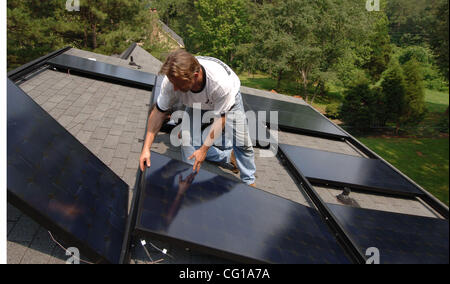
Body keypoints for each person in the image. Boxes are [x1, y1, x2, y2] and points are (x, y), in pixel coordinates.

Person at [139, 49, 256, 186]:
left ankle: (249, 181)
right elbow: (159, 112)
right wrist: (146, 148)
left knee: (242, 143)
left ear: (195, 75)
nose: (174, 89)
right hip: (196, 101)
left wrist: (204, 149)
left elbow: (221, 119)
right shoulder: (172, 82)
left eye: (178, 84)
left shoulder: (220, 84)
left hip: (226, 101)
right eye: (173, 83)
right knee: (187, 139)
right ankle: (190, 177)